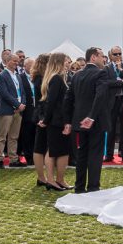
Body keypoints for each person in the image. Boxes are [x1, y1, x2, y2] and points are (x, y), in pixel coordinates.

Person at [64, 47, 115, 193]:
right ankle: (93, 187)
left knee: (82, 154)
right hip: (95, 121)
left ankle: (79, 186)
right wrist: (91, 116)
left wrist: (68, 121)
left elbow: (68, 99)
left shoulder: (77, 76)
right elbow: (100, 96)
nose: (104, 59)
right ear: (93, 57)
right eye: (101, 56)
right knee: (95, 154)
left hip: (79, 122)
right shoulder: (101, 74)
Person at [40, 53, 73, 190]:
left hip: (60, 120)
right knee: (53, 151)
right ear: (59, 62)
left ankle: (59, 180)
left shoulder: (59, 78)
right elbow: (52, 102)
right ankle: (51, 180)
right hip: (56, 121)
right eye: (66, 61)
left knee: (62, 151)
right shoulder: (56, 79)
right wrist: (46, 120)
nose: (69, 63)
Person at [0, 53, 28, 168]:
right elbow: (4, 94)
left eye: (17, 61)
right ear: (7, 61)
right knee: (2, 136)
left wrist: (22, 104)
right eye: (14, 61)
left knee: (14, 136)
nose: (16, 63)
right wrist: (17, 104)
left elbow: (23, 92)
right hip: (7, 110)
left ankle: (13, 159)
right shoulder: (1, 76)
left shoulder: (18, 76)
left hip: (18, 110)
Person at [29, 54, 50, 181]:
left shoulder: (40, 77)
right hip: (41, 115)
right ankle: (41, 177)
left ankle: (42, 177)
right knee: (39, 147)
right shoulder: (40, 79)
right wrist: (42, 117)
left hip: (41, 114)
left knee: (41, 146)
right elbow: (42, 101)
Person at [105, 46, 123, 162]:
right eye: (115, 54)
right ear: (110, 56)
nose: (118, 56)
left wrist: (121, 70)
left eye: (119, 54)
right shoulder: (106, 68)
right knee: (111, 128)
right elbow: (106, 83)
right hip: (112, 101)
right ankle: (109, 154)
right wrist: (119, 83)